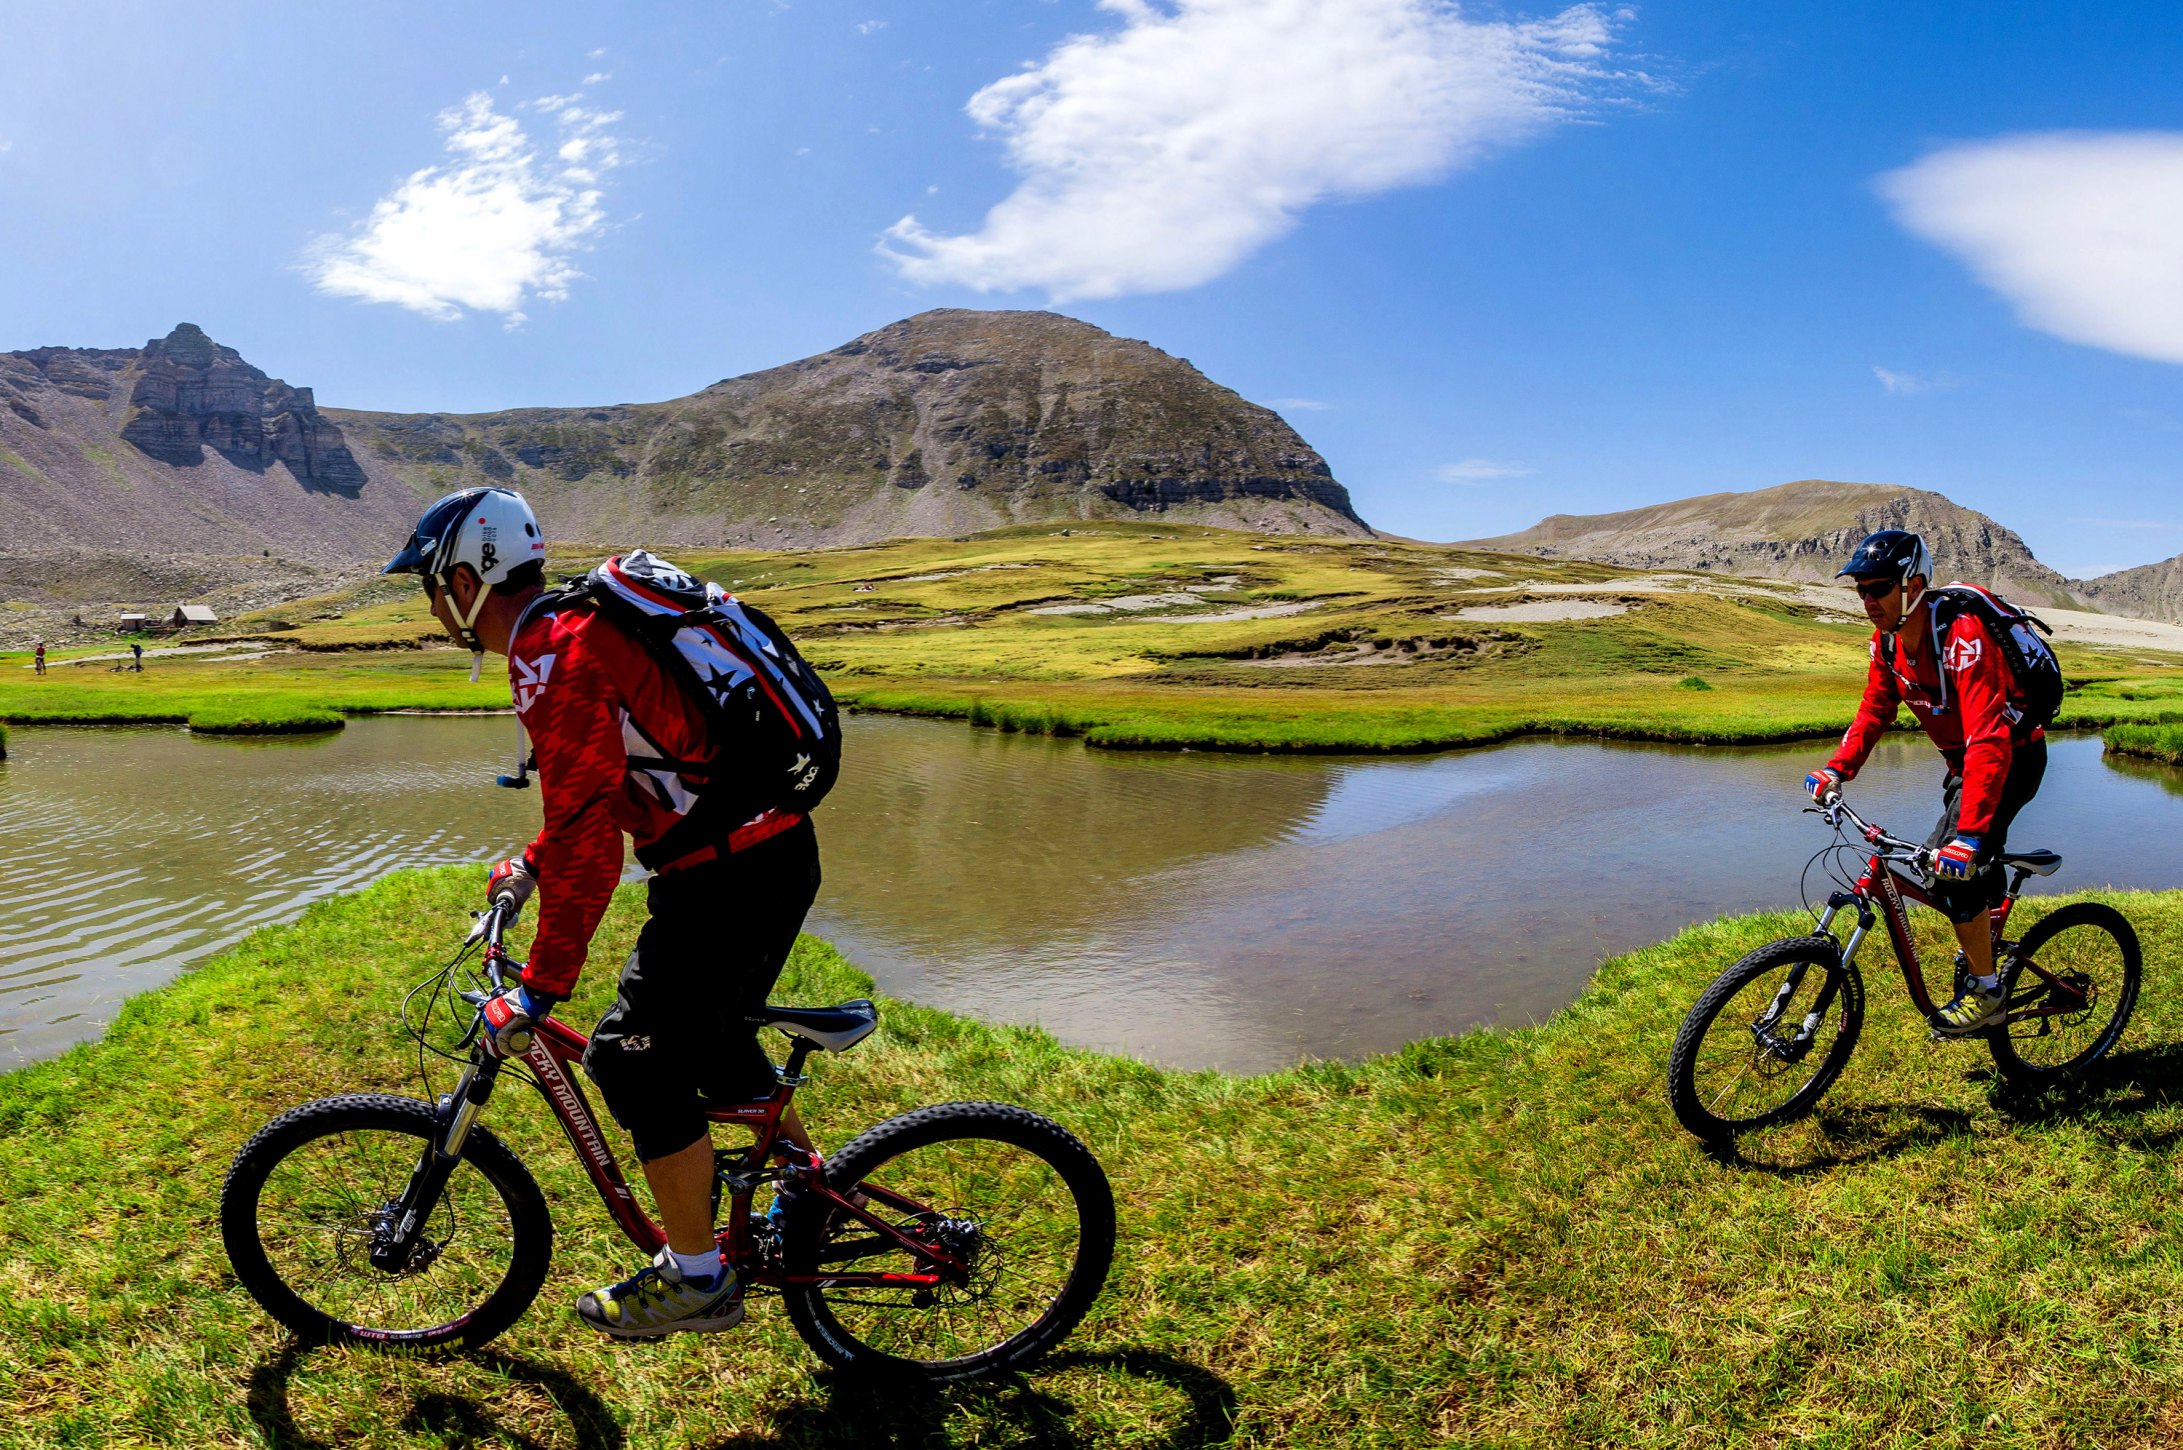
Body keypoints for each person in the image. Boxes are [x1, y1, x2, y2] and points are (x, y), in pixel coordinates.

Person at [382, 486, 824, 1339]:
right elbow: (601, 797)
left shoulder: (552, 651)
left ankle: (697, 1278)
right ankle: (809, 1199)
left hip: (730, 875)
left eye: (432, 584)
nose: (432, 605)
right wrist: (531, 865)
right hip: (759, 856)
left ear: (469, 578)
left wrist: (542, 987)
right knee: (718, 1040)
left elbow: (591, 838)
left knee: (632, 1060)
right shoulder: (574, 632)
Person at [1804, 529, 2047, 1035]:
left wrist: (1970, 837)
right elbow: (1874, 710)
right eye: (1861, 591)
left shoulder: (1962, 637)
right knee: (1961, 864)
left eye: (1879, 588)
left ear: (1913, 585)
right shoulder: (1887, 643)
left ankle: (1987, 992)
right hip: (1964, 765)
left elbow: (1988, 738)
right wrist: (1836, 769)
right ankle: (1987, 930)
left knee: (1952, 868)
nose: (1868, 600)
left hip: (2011, 758)